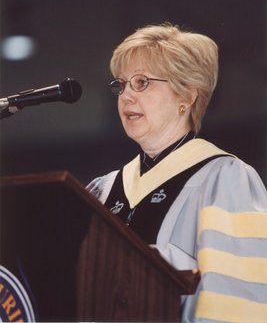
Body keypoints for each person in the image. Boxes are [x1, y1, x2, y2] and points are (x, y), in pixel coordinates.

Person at [86, 23, 267, 322]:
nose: (126, 96)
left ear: (188, 96)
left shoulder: (224, 181)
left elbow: (237, 301)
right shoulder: (103, 189)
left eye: (142, 82)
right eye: (121, 84)